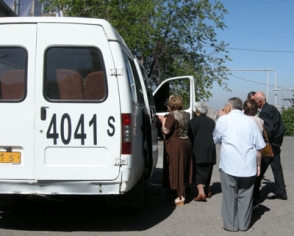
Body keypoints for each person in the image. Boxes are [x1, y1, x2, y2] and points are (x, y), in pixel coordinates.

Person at [213, 97, 265, 232]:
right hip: (248, 164)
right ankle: (244, 224)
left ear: (228, 107)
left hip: (229, 165)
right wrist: (258, 165)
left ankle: (231, 225)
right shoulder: (250, 122)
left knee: (229, 196)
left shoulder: (223, 120)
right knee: (246, 196)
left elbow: (216, 138)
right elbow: (259, 146)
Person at [158, 95, 192, 206]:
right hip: (186, 143)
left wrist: (163, 120)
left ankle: (180, 196)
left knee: (177, 168)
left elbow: (166, 131)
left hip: (175, 144)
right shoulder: (187, 114)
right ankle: (182, 191)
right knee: (183, 167)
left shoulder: (172, 116)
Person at [253, 92, 287, 200]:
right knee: (277, 168)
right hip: (275, 145)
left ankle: (255, 194)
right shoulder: (273, 109)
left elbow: (269, 130)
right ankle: (281, 192)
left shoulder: (265, 111)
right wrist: (277, 143)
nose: (254, 104)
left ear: (259, 101)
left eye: (255, 101)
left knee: (260, 169)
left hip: (269, 146)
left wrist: (261, 140)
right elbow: (281, 128)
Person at [188, 101, 216, 202]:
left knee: (198, 170)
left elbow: (190, 136)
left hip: (198, 148)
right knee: (208, 169)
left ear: (197, 111)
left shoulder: (193, 121)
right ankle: (208, 189)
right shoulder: (211, 121)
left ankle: (201, 193)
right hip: (210, 148)